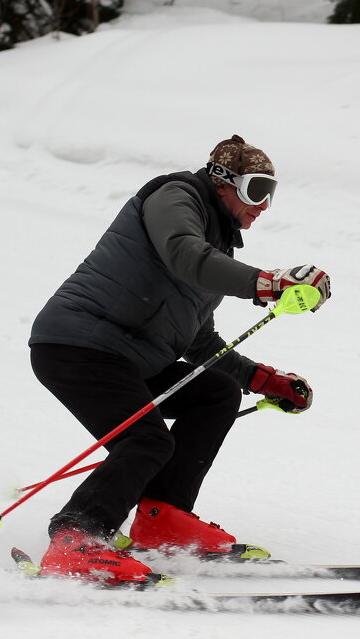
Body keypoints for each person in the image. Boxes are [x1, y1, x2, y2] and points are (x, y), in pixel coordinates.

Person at [27, 135, 331, 586]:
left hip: (132, 358)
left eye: (271, 192)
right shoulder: (175, 197)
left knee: (214, 392)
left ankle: (161, 516)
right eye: (255, 190)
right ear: (222, 182)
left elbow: (199, 341)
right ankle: (76, 538)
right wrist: (267, 283)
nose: (263, 205)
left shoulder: (218, 251)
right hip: (79, 344)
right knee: (147, 440)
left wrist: (263, 379)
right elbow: (184, 254)